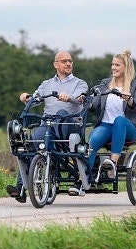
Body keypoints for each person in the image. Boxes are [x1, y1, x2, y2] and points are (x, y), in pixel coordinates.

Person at [6, 51, 88, 202]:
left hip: (69, 126)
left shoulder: (79, 83)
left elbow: (80, 98)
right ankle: (21, 187)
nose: (68, 64)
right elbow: (36, 99)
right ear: (55, 64)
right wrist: (27, 97)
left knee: (62, 112)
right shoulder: (46, 84)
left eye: (70, 61)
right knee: (28, 146)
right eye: (64, 61)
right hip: (48, 125)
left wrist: (69, 97)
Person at [69, 49, 136, 196]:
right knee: (91, 144)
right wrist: (87, 102)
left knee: (120, 120)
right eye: (112, 64)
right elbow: (95, 106)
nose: (113, 68)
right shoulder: (105, 84)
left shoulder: (135, 86)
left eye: (117, 65)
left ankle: (113, 162)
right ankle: (81, 181)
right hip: (106, 125)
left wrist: (129, 100)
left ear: (126, 67)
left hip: (128, 127)